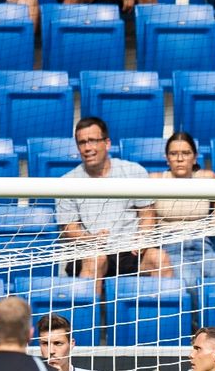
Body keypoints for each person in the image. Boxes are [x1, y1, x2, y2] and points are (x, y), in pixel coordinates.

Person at [58, 117, 168, 291]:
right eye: (82, 143)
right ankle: (89, 309)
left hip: (130, 250)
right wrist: (90, 239)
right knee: (96, 259)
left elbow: (147, 214)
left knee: (159, 258)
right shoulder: (68, 181)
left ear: (107, 143)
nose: (87, 148)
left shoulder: (133, 172)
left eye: (93, 141)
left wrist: (142, 239)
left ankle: (163, 309)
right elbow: (68, 227)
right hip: (91, 250)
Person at [153, 132, 215, 290]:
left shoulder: (207, 178)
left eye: (186, 153)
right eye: (174, 154)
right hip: (171, 251)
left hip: (204, 249)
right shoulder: (155, 180)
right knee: (190, 283)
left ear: (195, 157)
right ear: (167, 158)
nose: (180, 159)